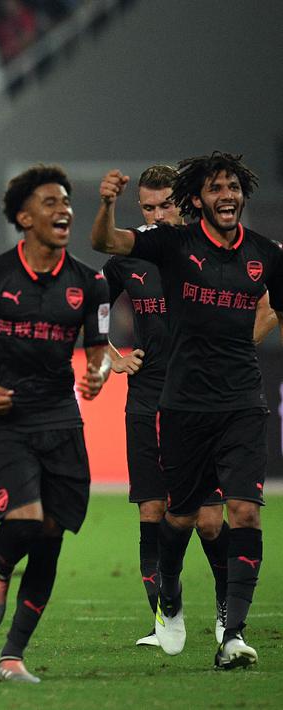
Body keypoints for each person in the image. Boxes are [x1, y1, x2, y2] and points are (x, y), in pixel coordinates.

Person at [91, 151, 283, 669]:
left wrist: (240, 343)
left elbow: (275, 303)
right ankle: (167, 602)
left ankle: (232, 627)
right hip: (167, 402)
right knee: (168, 515)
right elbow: (100, 275)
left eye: (233, 188)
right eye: (145, 207)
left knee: (228, 515)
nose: (153, 215)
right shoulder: (161, 248)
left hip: (235, 400)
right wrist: (109, 352)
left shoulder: (257, 252)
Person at [0, 165, 110, 683]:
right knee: (27, 521)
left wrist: (98, 373)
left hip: (63, 422)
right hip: (11, 422)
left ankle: (12, 656)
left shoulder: (90, 283)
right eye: (50, 202)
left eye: (66, 201)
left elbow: (100, 349)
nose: (64, 210)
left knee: (52, 536)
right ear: (24, 216)